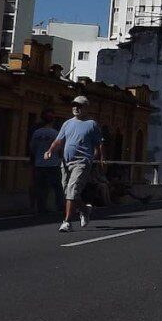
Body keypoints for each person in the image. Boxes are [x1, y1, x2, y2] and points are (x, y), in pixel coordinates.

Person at [44, 96, 105, 232]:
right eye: (74, 105)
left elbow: (99, 143)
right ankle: (84, 210)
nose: (76, 108)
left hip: (82, 162)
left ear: (86, 108)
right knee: (68, 191)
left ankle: (67, 222)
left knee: (72, 190)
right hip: (66, 162)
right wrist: (50, 150)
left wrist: (100, 158)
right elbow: (59, 140)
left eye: (79, 106)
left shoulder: (91, 124)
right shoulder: (67, 124)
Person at [29, 109, 63, 214]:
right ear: (52, 121)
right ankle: (60, 207)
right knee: (57, 187)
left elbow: (32, 148)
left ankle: (41, 208)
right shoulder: (56, 134)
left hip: (39, 164)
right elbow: (60, 150)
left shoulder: (36, 133)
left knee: (40, 187)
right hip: (53, 164)